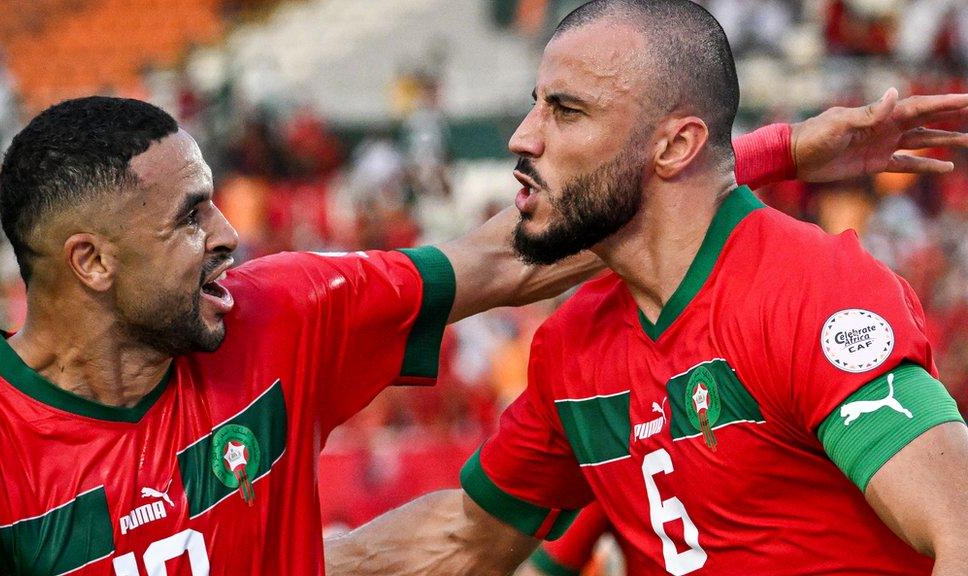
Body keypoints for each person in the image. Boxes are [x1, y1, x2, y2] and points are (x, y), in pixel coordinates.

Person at [0, 90, 960, 575]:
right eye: (188, 219)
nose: (230, 235)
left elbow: (510, 258)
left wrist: (762, 154)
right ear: (89, 263)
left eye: (214, 200)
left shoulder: (279, 312)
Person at [324, 2, 968, 575]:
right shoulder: (571, 351)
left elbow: (961, 532)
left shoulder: (808, 288)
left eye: (566, 111)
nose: (523, 137)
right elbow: (461, 539)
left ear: (676, 146)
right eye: (534, 103)